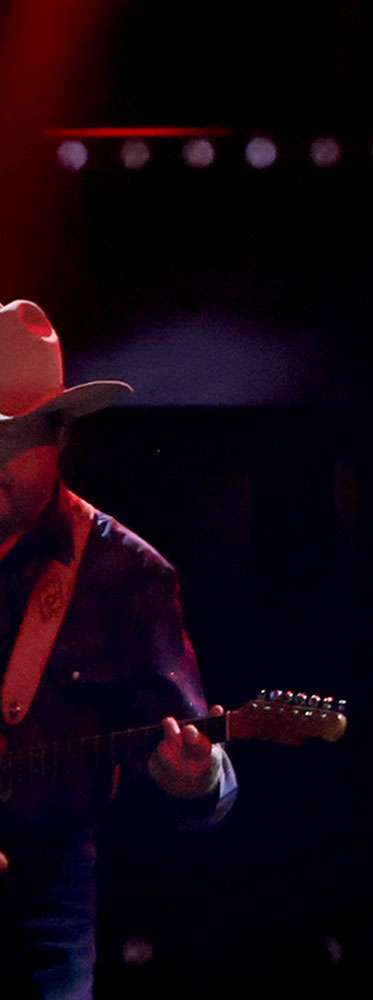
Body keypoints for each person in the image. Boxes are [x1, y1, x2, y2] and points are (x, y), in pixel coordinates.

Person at [0, 299, 237, 1000]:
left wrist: (196, 778)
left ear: (60, 432)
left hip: (42, 910)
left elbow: (205, 769)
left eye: (12, 439)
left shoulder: (125, 574)